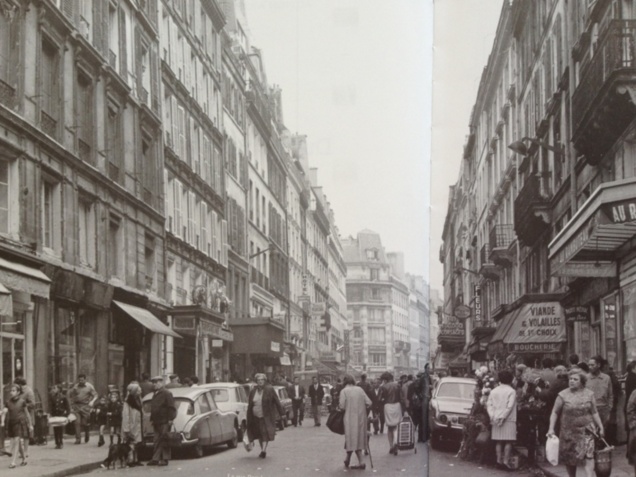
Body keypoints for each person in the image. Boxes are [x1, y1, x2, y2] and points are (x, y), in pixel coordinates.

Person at [548, 368, 604, 477]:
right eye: (570, 379)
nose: (571, 381)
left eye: (575, 379)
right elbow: (554, 412)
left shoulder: (589, 394)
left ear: (582, 381)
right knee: (570, 458)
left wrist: (601, 427)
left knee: (589, 455)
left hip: (587, 430)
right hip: (568, 431)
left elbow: (594, 412)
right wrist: (551, 428)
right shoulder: (563, 395)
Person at [246, 373, 285, 459]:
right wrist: (248, 416)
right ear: (256, 381)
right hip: (255, 416)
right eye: (258, 380)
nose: (260, 381)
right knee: (259, 434)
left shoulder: (269, 389)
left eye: (262, 380)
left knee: (264, 433)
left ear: (265, 380)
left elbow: (277, 401)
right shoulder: (253, 391)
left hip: (265, 416)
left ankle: (263, 451)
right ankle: (262, 449)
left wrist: (282, 413)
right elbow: (250, 405)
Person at [340, 374, 372, 470]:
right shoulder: (360, 390)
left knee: (352, 438)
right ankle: (347, 459)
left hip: (349, 419)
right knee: (357, 438)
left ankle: (361, 462)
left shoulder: (344, 391)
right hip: (361, 418)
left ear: (344, 382)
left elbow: (342, 406)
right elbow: (369, 402)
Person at [487, 369, 517, 470]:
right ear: (510, 380)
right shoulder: (511, 391)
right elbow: (510, 406)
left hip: (495, 418)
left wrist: (493, 416)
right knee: (508, 441)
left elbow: (489, 405)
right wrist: (503, 417)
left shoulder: (493, 391)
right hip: (509, 419)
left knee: (498, 441)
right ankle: (506, 461)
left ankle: (498, 460)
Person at [147, 376, 176, 466]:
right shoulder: (156, 393)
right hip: (157, 420)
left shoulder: (166, 393)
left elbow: (171, 407)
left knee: (164, 439)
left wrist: (170, 419)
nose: (155, 384)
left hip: (164, 420)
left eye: (156, 382)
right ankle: (156, 458)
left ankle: (165, 459)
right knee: (157, 440)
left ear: (161, 383)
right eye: (154, 383)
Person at [4, 384, 31, 468]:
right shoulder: (8, 402)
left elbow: (27, 414)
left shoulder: (22, 401)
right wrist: (3, 413)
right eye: (11, 391)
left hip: (20, 423)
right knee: (18, 443)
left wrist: (30, 425)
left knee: (16, 441)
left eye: (13, 391)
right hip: (11, 423)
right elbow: (5, 412)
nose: (11, 392)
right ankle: (24, 459)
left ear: (18, 392)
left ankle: (13, 462)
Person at [68, 374, 97, 444]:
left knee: (84, 423)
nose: (81, 381)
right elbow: (70, 395)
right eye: (79, 380)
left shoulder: (89, 386)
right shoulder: (75, 387)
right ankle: (78, 439)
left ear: (85, 379)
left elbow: (95, 395)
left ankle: (87, 433)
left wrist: (92, 402)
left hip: (85, 406)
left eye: (82, 380)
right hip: (77, 406)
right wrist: (72, 405)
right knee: (77, 423)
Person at [378, 372, 402, 455]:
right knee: (396, 426)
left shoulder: (383, 387)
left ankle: (391, 446)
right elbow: (401, 397)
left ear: (385, 379)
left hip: (387, 406)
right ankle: (395, 442)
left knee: (389, 427)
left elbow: (379, 399)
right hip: (397, 405)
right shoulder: (398, 385)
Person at [121, 382, 144, 467]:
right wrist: (126, 428)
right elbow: (126, 415)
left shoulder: (138, 399)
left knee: (136, 443)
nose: (140, 390)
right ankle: (130, 460)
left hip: (137, 425)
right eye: (138, 389)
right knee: (131, 443)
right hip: (131, 425)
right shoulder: (128, 402)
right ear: (135, 391)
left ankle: (136, 459)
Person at [587, 356, 613, 430]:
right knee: (592, 432)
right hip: (591, 409)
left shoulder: (606, 378)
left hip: (604, 409)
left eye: (592, 365)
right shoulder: (586, 378)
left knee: (603, 432)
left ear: (598, 365)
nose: (590, 367)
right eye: (589, 365)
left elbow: (610, 395)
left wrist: (609, 408)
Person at [49, 384, 70, 449]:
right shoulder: (53, 397)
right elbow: (51, 406)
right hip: (55, 415)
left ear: (59, 389)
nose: (54, 390)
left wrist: (66, 415)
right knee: (55, 428)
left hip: (61, 415)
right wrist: (51, 414)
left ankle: (60, 442)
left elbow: (67, 407)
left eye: (55, 388)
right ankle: (57, 442)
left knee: (60, 429)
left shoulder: (63, 397)